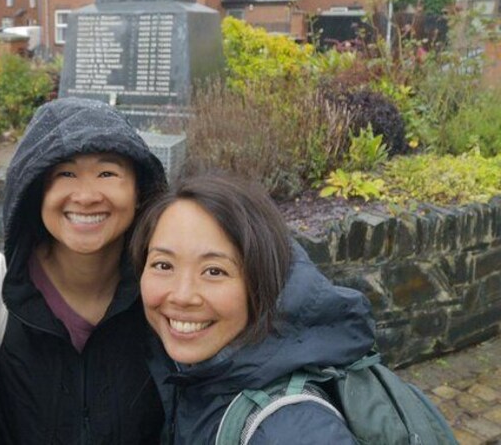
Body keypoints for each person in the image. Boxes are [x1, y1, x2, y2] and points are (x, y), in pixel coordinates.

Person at [0, 97, 167, 444]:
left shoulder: (164, 291)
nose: (86, 196)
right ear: (35, 190)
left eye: (107, 173)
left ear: (138, 191)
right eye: (66, 173)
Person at [130, 172, 376, 444]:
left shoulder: (291, 432)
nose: (182, 295)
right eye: (163, 265)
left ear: (261, 281)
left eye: (214, 271)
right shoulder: (195, 369)